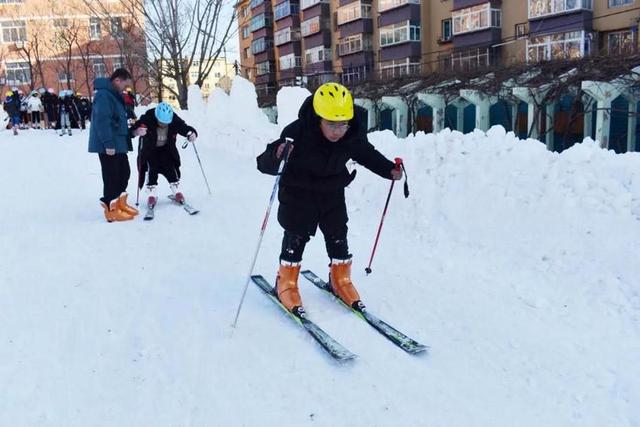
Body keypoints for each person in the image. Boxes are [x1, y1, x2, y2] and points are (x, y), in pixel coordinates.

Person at [256, 82, 403, 313]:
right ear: (318, 117)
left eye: (342, 125)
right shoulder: (297, 132)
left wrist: (388, 170)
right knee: (296, 236)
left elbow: (366, 154)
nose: (337, 131)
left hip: (332, 191)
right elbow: (263, 163)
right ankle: (286, 281)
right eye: (331, 124)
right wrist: (277, 154)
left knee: (338, 235)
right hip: (298, 193)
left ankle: (340, 280)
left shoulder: (351, 134)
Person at [88, 68, 139, 222]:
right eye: (125, 84)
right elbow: (102, 120)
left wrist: (133, 133)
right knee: (112, 177)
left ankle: (120, 204)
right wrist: (108, 143)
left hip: (118, 143)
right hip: (109, 145)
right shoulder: (104, 95)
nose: (125, 88)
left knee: (124, 173)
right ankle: (111, 209)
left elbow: (119, 122)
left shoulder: (115, 96)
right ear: (117, 80)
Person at [130, 102, 198, 207]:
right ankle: (152, 194)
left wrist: (192, 133)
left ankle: (176, 191)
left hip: (166, 149)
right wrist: (137, 131)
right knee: (152, 168)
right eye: (161, 122)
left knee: (170, 168)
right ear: (156, 116)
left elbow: (183, 127)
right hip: (150, 150)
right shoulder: (147, 118)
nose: (164, 124)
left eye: (166, 122)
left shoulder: (173, 119)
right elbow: (133, 129)